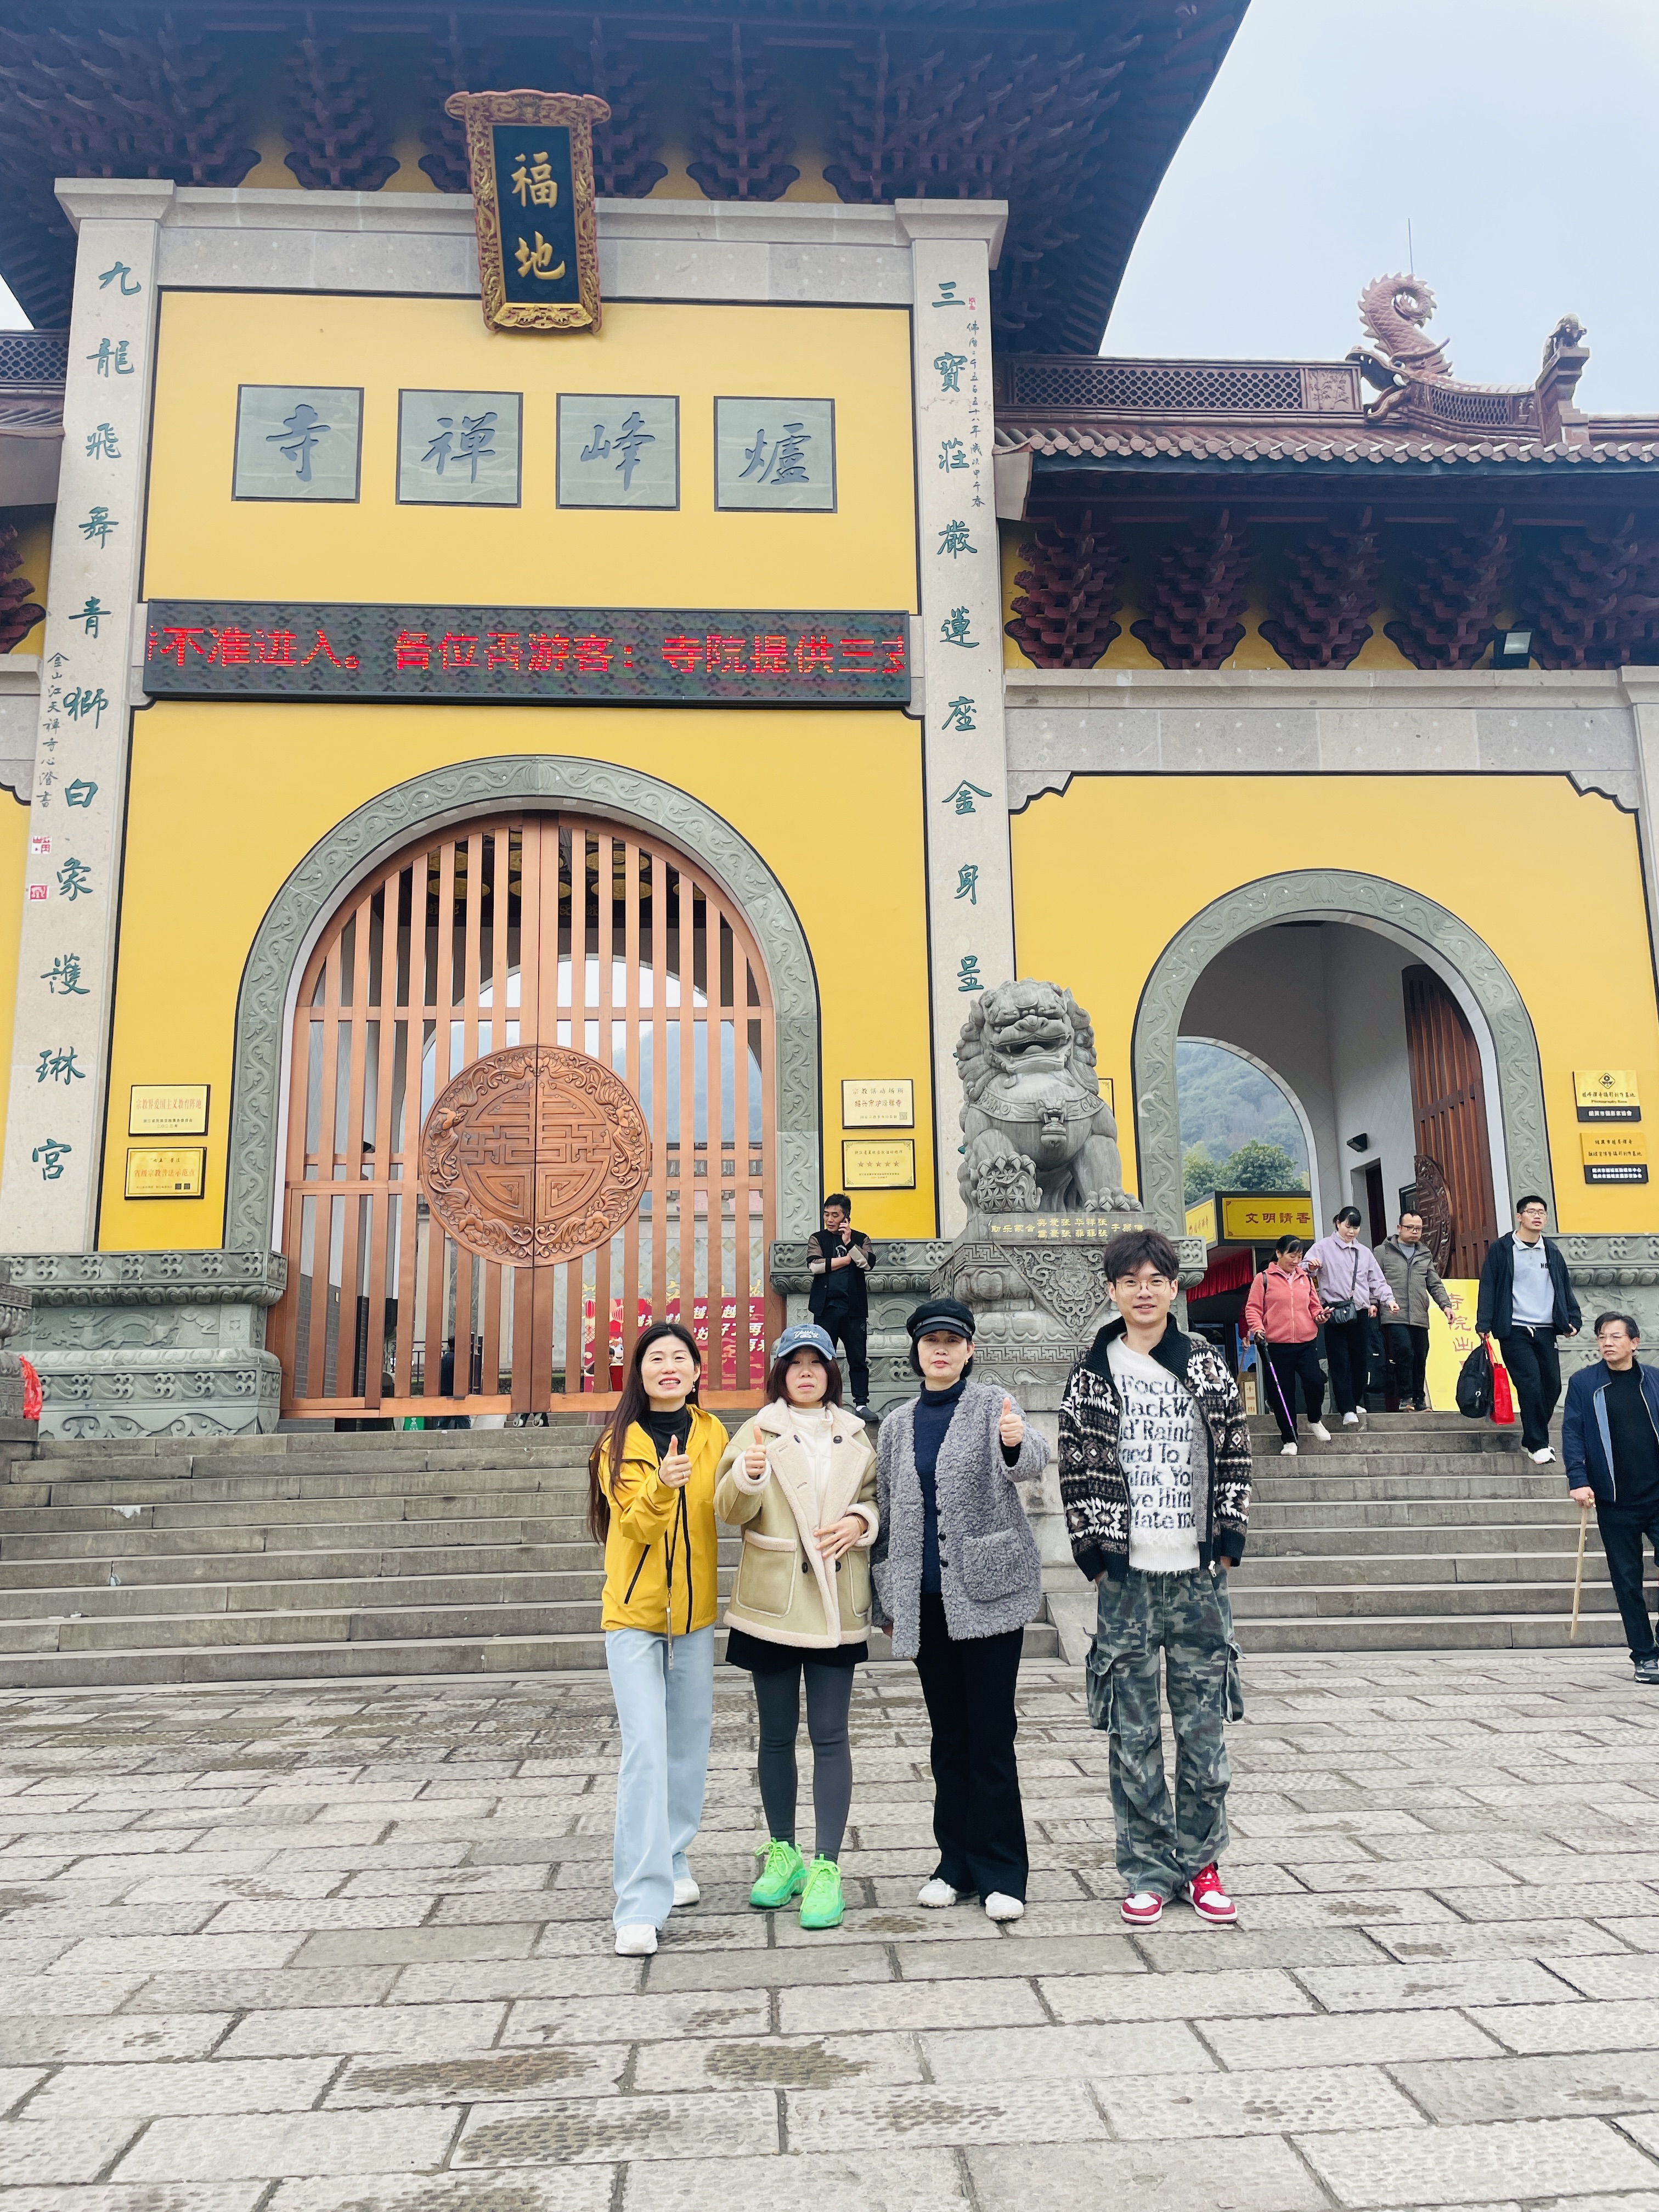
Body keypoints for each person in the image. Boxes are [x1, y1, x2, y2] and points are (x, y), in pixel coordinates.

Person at [1059, 1227, 1251, 1930]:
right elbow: (1074, 1464)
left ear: (1175, 1288)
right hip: (1128, 1579)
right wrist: (1092, 1553)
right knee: (1131, 1732)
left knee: (1203, 1732)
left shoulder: (1203, 1364)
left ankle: (1202, 1866)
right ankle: (1146, 1869)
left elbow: (1235, 1448)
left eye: (1155, 1281)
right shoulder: (1092, 1372)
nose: (1143, 1292)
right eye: (1130, 1281)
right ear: (1112, 1290)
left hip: (1197, 1575)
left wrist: (1229, 1537)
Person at [873, 1296, 1047, 1922]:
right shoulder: (897, 1424)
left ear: (970, 1350)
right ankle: (956, 1865)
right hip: (926, 1602)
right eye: (931, 1342)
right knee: (948, 1738)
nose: (941, 1350)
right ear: (917, 1351)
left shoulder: (991, 1403)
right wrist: (887, 1598)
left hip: (989, 1596)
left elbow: (1030, 1460)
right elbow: (887, 1513)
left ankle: (1002, 1872)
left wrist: (1015, 1442)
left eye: (952, 1341)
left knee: (991, 1737)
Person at [715, 1322, 878, 1932]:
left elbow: (876, 1497)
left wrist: (861, 1522)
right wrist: (748, 1475)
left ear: (830, 1372)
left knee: (832, 1734)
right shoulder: (757, 1430)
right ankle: (782, 1853)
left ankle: (827, 1865)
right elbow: (728, 1510)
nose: (806, 1373)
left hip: (836, 1596)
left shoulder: (855, 1432)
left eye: (816, 1362)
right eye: (794, 1363)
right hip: (774, 1599)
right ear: (780, 1372)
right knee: (776, 1734)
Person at [588, 1322, 728, 1959]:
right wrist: (662, 1485)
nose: (668, 1366)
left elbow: (730, 1503)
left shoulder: (713, 1432)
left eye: (679, 1357)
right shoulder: (615, 1444)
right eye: (655, 1358)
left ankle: (672, 1856)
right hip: (634, 1617)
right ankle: (640, 1904)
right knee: (646, 1747)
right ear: (638, 1373)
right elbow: (636, 1526)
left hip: (694, 1614)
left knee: (688, 1745)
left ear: (697, 1372)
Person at [1565, 1312, 1659, 1684]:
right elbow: (1573, 1432)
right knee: (1627, 1581)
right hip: (1615, 1500)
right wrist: (1578, 1479)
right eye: (1602, 1336)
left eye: (1616, 1336)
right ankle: (1645, 1655)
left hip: (1657, 1495)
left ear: (1634, 1343)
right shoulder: (1585, 1383)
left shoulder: (1654, 1380)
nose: (1607, 1342)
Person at [1476, 1194, 1582, 1465]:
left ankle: (1533, 1436)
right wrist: (1484, 1322)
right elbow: (1489, 1285)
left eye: (1542, 1212)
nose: (1537, 1216)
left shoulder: (1552, 1251)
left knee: (1552, 1386)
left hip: (1546, 1329)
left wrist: (1572, 1318)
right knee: (1530, 1384)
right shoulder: (1502, 1249)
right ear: (1519, 1216)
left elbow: (1563, 1286)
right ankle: (1537, 1444)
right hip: (1514, 1330)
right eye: (1532, 1211)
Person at [1306, 1207, 1398, 1425]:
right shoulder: (1322, 1248)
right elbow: (1303, 1271)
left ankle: (1355, 1401)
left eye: (1356, 1228)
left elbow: (1377, 1281)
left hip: (1360, 1311)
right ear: (1338, 1223)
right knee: (1339, 1361)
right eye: (1348, 1226)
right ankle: (1346, 1408)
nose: (1352, 1232)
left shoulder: (1364, 1252)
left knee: (1360, 1359)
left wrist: (1389, 1300)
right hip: (1334, 1311)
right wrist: (1310, 1266)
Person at [1243, 1234, 1332, 1455]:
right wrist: (1257, 1328)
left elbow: (1314, 1306)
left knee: (1315, 1381)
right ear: (1279, 1253)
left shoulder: (1305, 1279)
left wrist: (1320, 1316)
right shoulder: (1263, 1279)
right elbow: (1253, 1308)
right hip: (1276, 1345)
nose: (1296, 1260)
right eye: (1292, 1255)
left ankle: (1314, 1419)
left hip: (1306, 1341)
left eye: (1300, 1256)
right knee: (1283, 1394)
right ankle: (1290, 1439)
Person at [1374, 1211, 1454, 1412]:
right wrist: (1372, 1303)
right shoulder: (1383, 1252)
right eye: (1410, 1227)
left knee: (1420, 1354)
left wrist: (1446, 1305)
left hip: (1419, 1314)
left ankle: (1419, 1398)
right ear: (1399, 1228)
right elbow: (1373, 1280)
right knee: (1405, 1352)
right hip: (1394, 1313)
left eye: (1418, 1228)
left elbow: (1434, 1283)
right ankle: (1405, 1397)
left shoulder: (1424, 1254)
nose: (1415, 1232)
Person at [808, 1195, 874, 1415]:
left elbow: (867, 1263)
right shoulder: (818, 1239)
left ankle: (861, 1404)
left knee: (858, 1358)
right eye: (826, 1214)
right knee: (824, 1358)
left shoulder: (861, 1238)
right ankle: (827, 1402)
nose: (829, 1219)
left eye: (835, 1215)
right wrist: (846, 1260)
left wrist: (849, 1244)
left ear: (846, 1216)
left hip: (854, 1310)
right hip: (826, 1309)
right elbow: (815, 1266)